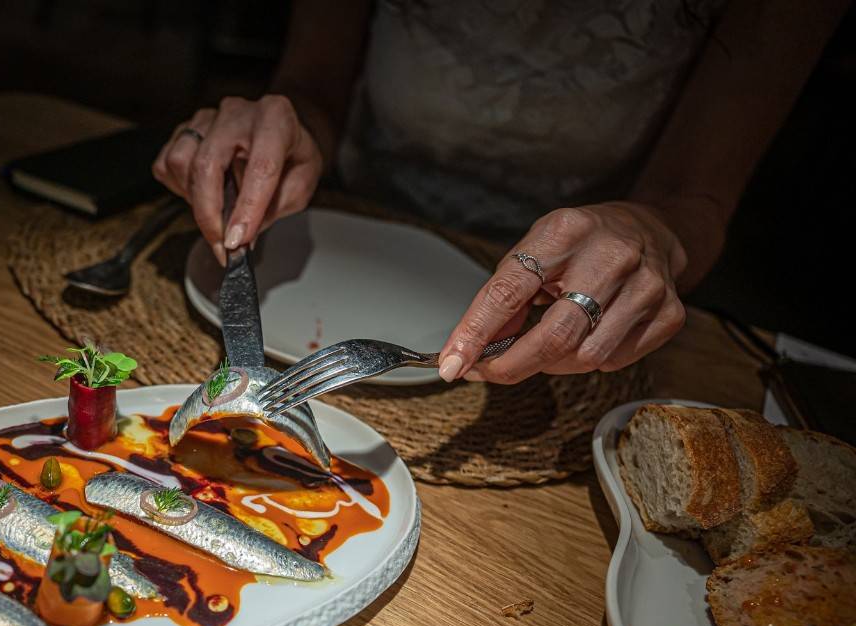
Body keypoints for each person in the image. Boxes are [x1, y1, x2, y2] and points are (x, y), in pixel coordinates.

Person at [152, 0, 848, 384]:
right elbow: (317, 87)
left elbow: (695, 198)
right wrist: (280, 129)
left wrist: (654, 234)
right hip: (347, 222)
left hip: (574, 305)